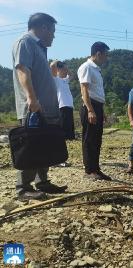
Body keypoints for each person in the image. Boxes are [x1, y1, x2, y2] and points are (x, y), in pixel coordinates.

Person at [12, 12, 68, 200]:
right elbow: (22, 69)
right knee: (31, 145)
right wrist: (32, 98)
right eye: (52, 31)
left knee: (44, 144)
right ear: (43, 27)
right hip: (34, 107)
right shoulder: (25, 42)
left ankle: (42, 182)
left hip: (47, 108)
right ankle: (23, 188)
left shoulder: (39, 47)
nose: (53, 35)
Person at [77, 41, 111, 180]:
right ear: (98, 53)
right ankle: (89, 170)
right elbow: (84, 89)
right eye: (105, 55)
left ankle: (96, 169)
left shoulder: (96, 69)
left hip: (98, 106)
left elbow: (97, 91)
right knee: (89, 139)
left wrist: (101, 111)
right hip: (90, 106)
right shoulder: (86, 67)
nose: (106, 58)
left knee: (97, 139)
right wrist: (90, 110)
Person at [53, 61, 75, 141]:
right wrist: (57, 62)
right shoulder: (56, 79)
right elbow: (52, 67)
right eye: (64, 70)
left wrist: (66, 68)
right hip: (62, 106)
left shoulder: (65, 80)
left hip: (69, 106)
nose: (66, 71)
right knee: (64, 126)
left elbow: (72, 75)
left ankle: (70, 139)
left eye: (66, 70)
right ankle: (64, 139)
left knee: (70, 126)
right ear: (58, 70)